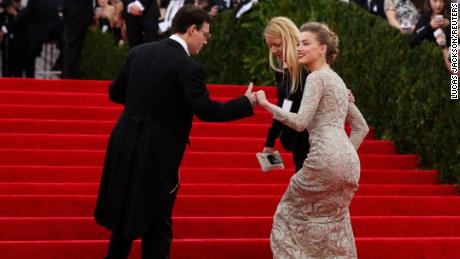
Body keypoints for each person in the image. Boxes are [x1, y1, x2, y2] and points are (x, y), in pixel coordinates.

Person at [94, 5, 256, 259]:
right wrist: (246, 103)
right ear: (192, 30)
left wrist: (143, 104)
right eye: (205, 34)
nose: (206, 41)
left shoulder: (139, 52)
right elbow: (206, 111)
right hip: (157, 151)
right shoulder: (188, 67)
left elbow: (115, 93)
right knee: (158, 219)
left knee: (126, 212)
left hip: (124, 141)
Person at [255, 22, 369, 258]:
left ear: (323, 49)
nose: (298, 48)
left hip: (323, 157)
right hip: (349, 164)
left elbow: (300, 122)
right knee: (334, 223)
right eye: (298, 43)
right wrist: (345, 152)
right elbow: (361, 128)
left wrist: (266, 104)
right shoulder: (339, 81)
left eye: (305, 43)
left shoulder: (316, 78)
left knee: (287, 216)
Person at [262, 17, 310, 172]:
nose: (274, 51)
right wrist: (270, 142)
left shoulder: (307, 70)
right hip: (298, 145)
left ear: (290, 38)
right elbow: (283, 108)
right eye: (270, 46)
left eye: (277, 44)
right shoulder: (284, 74)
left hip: (314, 146)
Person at [61, 0, 94, 79]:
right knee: (72, 48)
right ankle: (69, 78)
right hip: (77, 13)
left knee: (73, 48)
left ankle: (69, 76)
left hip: (74, 12)